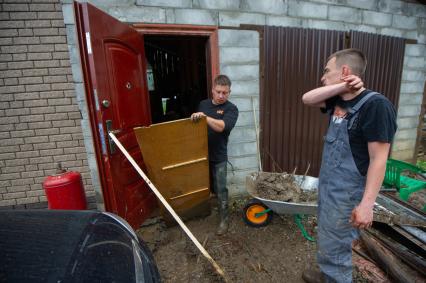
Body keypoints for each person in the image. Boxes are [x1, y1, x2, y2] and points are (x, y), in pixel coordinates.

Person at [301, 49, 397, 283]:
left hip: (348, 194)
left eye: (326, 71)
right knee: (328, 238)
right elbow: (307, 98)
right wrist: (342, 87)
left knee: (338, 247)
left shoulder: (376, 105)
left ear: (344, 71)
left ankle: (335, 278)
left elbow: (379, 159)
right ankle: (327, 276)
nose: (323, 77)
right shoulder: (337, 99)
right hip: (329, 187)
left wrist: (366, 206)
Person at [191, 75, 239, 235]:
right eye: (218, 92)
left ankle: (224, 220)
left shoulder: (231, 109)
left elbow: (222, 127)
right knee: (202, 187)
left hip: (219, 156)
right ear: (212, 90)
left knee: (220, 190)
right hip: (201, 155)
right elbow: (195, 126)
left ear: (229, 92)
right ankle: (202, 212)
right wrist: (195, 116)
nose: (221, 96)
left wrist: (205, 117)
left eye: (225, 93)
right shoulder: (203, 104)